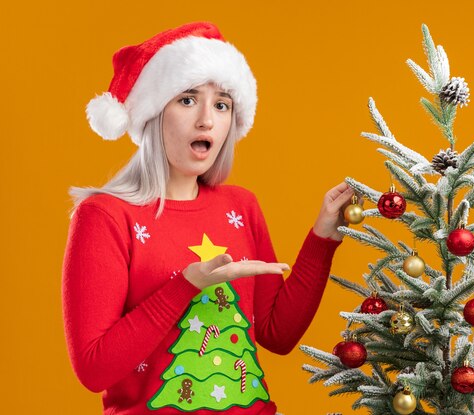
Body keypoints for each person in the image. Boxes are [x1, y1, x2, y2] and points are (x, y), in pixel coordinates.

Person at [62, 21, 354, 415]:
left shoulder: (241, 206)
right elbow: (94, 369)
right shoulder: (104, 216)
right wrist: (186, 286)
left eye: (221, 104)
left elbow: (277, 334)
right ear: (153, 114)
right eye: (187, 99)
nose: (206, 120)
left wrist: (323, 237)